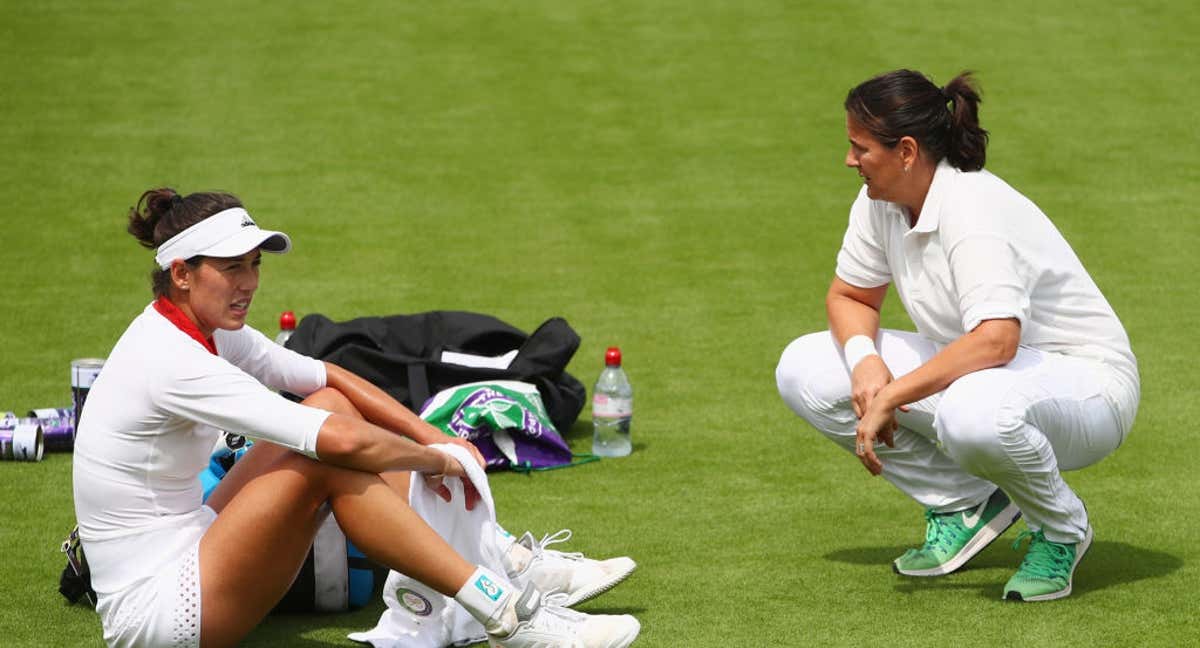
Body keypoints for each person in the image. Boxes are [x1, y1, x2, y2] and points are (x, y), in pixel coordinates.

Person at [72, 188, 641, 647]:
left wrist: (430, 432)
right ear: (182, 273)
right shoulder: (174, 361)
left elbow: (326, 378)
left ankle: (499, 559)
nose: (248, 282)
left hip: (191, 540)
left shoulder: (202, 328)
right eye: (230, 267)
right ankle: (507, 613)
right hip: (156, 614)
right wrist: (435, 458)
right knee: (328, 460)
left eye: (253, 265)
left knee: (327, 409)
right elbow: (338, 442)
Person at [775, 70, 1139, 601]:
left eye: (859, 148)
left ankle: (1061, 527)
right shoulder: (879, 202)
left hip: (1088, 387)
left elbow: (997, 340)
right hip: (988, 372)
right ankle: (963, 502)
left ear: (905, 151)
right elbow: (849, 297)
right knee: (804, 368)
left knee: (971, 414)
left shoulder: (972, 206)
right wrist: (865, 363)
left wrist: (893, 394)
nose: (849, 161)